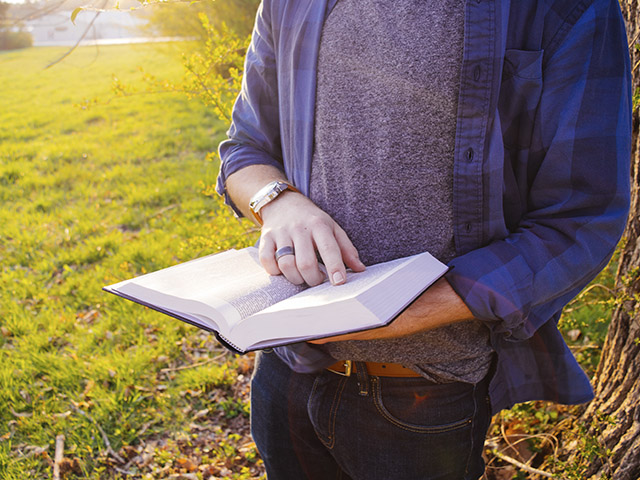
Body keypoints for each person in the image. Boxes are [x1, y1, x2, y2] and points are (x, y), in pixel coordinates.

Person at [216, 0, 632, 478]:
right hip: (287, 369)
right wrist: (278, 202)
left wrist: (412, 309)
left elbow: (581, 219)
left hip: (423, 395)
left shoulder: (567, 8)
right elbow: (244, 147)